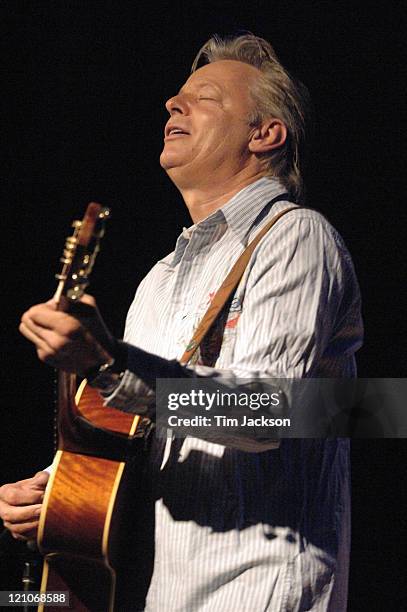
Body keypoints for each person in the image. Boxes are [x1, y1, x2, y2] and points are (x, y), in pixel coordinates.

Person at [0, 34, 363, 610]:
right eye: (176, 97)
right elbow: (137, 433)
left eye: (206, 98)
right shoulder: (159, 280)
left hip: (256, 591)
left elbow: (266, 414)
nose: (172, 103)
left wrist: (108, 364)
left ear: (265, 134)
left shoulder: (295, 237)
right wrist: (56, 491)